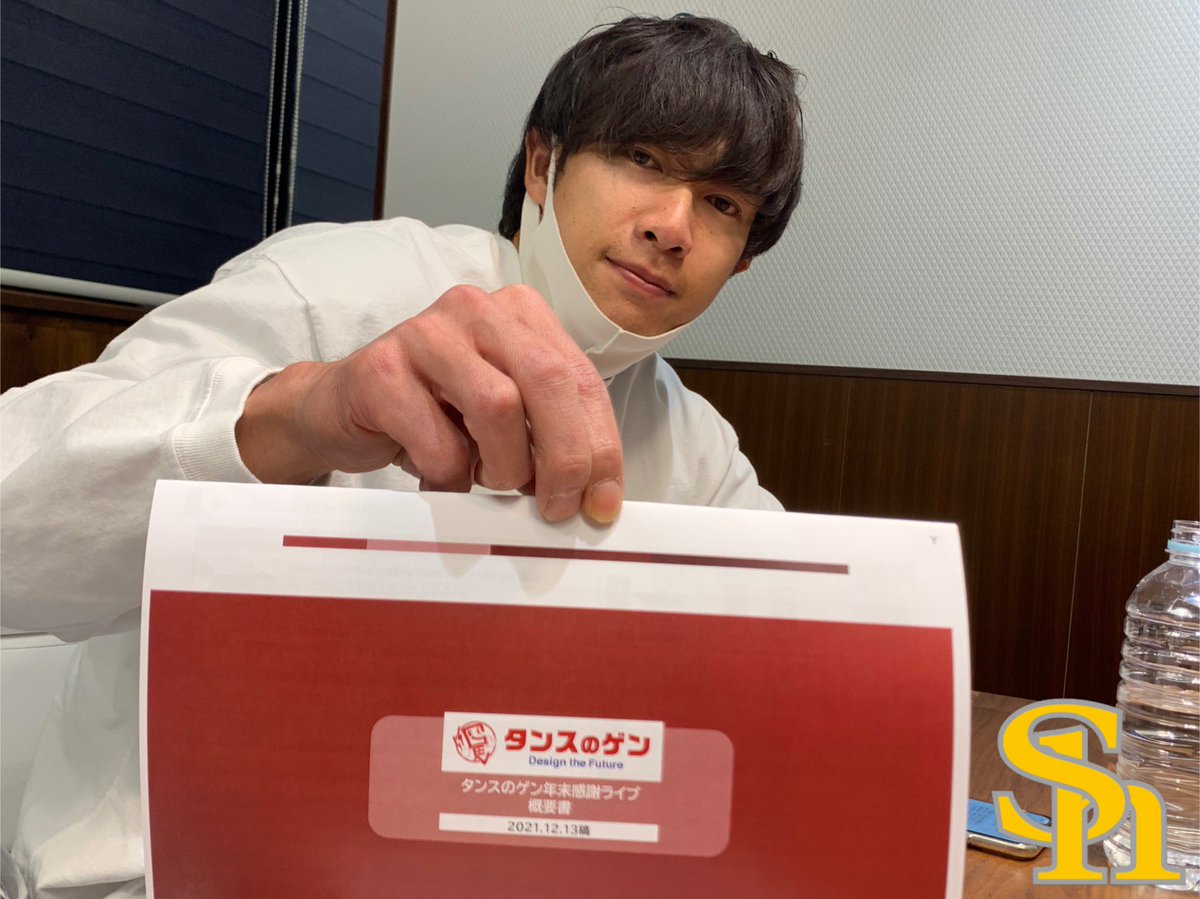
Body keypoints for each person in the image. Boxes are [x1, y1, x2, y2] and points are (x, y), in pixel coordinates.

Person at [1, 13, 804, 897]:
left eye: (723, 204)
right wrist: (299, 413)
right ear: (542, 164)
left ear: (741, 262)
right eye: (643, 159)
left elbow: (791, 675)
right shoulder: (337, 291)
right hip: (174, 865)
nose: (673, 225)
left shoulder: (696, 449)